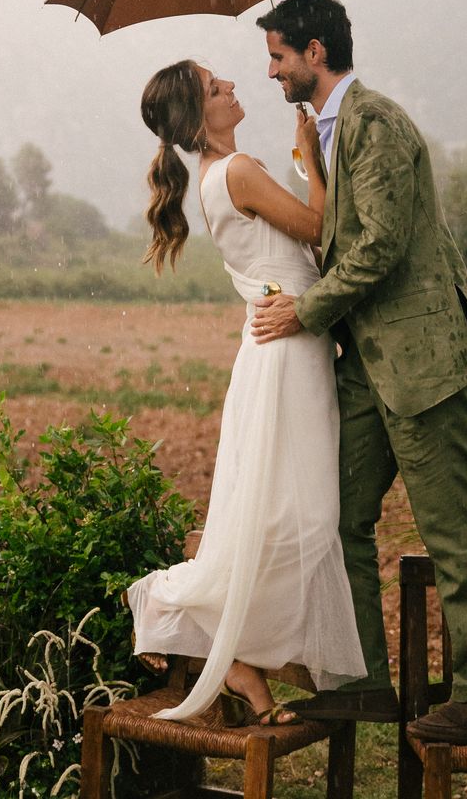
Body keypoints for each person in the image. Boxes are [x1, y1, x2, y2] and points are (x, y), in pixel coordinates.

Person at [250, 0, 467, 745]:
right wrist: (309, 160)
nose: (270, 72)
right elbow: (338, 231)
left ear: (314, 53)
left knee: (451, 531)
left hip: (421, 364)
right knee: (338, 522)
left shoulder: (378, 122)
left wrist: (305, 310)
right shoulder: (328, 132)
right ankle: (364, 683)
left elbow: (381, 246)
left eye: (277, 57)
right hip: (365, 365)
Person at [125, 59, 366, 725]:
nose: (231, 85)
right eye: (215, 87)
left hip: (290, 347)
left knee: (289, 512)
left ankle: (237, 655)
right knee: (302, 515)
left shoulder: (222, 173)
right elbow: (320, 228)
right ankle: (190, 612)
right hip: (285, 352)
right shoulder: (234, 172)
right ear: (199, 115)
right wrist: (313, 156)